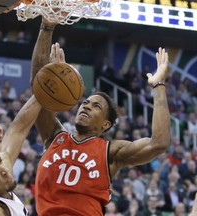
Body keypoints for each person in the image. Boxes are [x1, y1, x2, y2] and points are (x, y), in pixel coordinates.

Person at [31, 18, 170, 216]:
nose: (86, 106)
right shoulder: (55, 136)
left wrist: (158, 85)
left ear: (106, 124)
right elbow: (37, 84)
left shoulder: (110, 151)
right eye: (85, 102)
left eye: (96, 106)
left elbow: (159, 143)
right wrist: (47, 26)